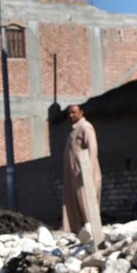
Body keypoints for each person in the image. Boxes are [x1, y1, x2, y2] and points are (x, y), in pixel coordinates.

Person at [60, 104, 103, 245]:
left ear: (81, 112)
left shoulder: (86, 127)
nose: (71, 115)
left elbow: (92, 147)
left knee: (86, 200)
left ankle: (92, 231)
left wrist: (88, 169)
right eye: (69, 113)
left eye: (74, 112)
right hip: (74, 174)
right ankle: (80, 231)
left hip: (84, 172)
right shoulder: (73, 130)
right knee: (75, 201)